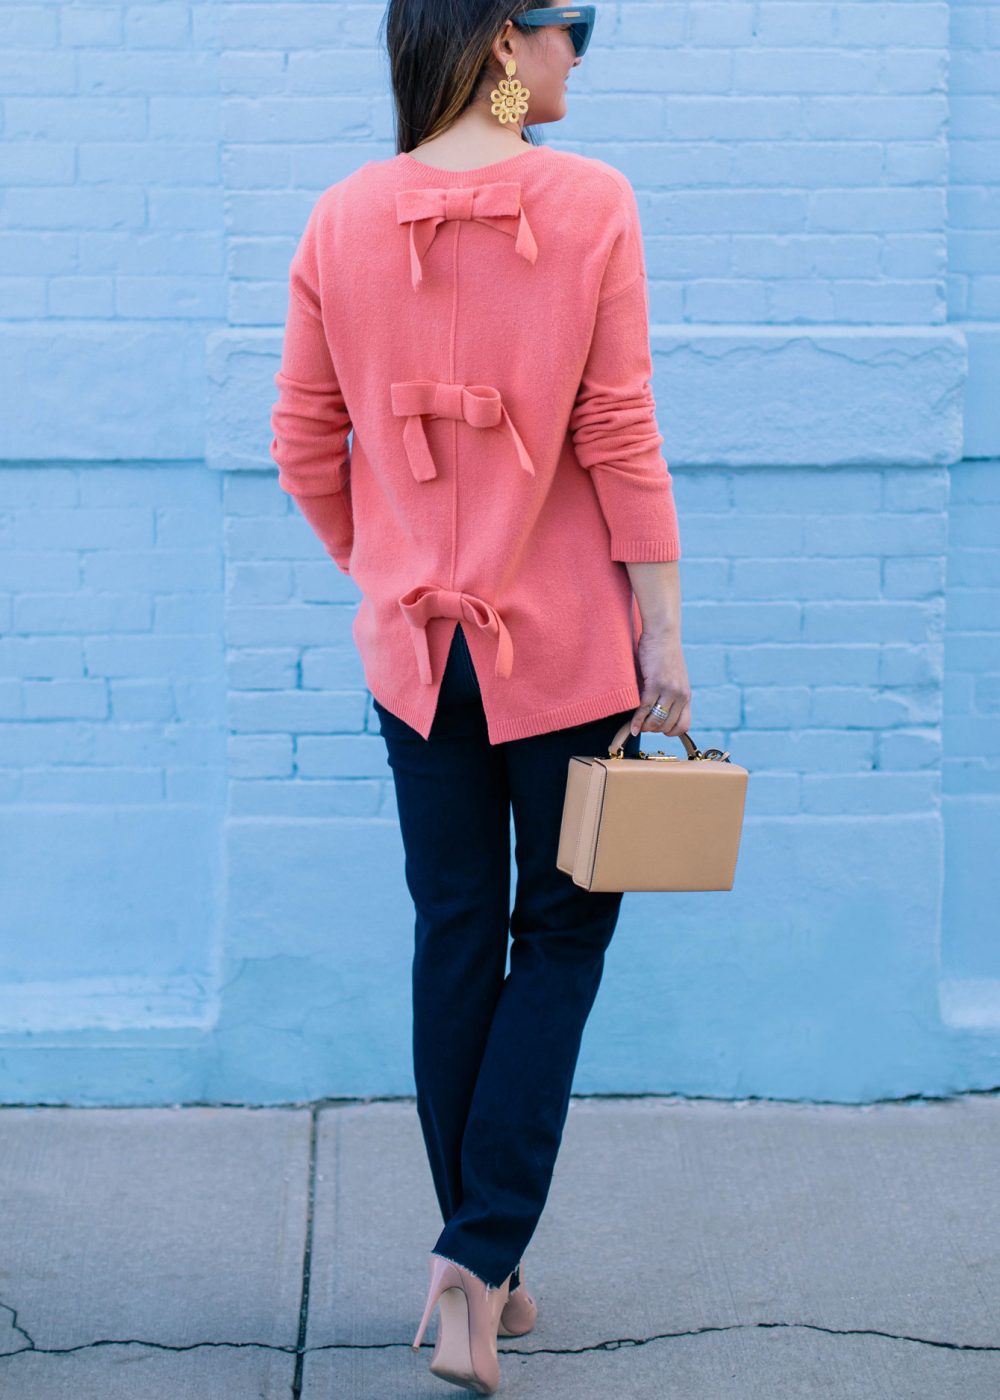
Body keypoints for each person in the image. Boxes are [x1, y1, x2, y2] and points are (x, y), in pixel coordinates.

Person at [269, 1, 692, 1392]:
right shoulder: (594, 201)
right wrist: (667, 639)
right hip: (570, 654)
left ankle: (475, 1273)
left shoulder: (340, 214)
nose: (581, 50)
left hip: (415, 657)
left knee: (455, 935)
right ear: (503, 41)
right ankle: (482, 1253)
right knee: (559, 943)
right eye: (572, 24)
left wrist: (389, 565)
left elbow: (303, 439)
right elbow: (621, 432)